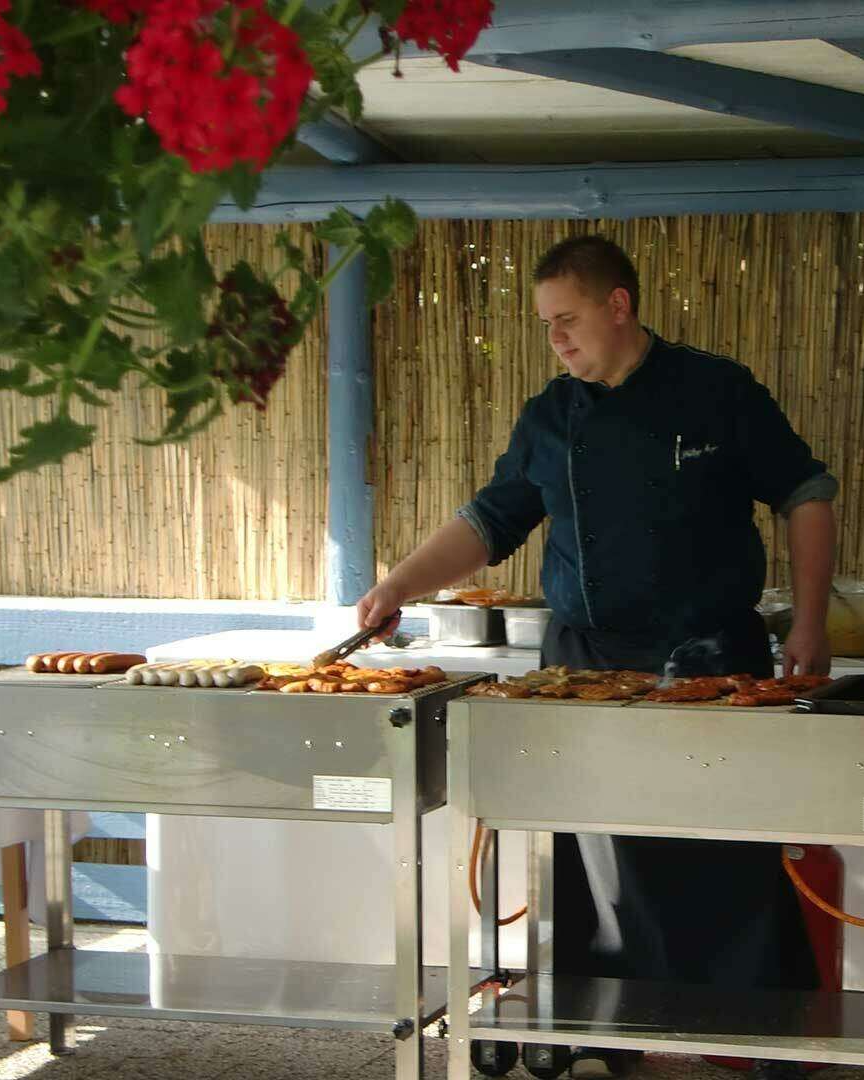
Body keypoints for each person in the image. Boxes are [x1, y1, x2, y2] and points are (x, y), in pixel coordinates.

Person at [358, 235, 838, 1080]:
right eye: (547, 326)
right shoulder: (552, 413)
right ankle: (610, 1032)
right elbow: (490, 521)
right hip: (580, 664)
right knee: (588, 863)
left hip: (710, 659)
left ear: (620, 306)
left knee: (722, 854)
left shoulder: (718, 390)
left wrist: (809, 622)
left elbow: (805, 493)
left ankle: (763, 1042)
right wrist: (398, 584)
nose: (558, 342)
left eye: (568, 321)